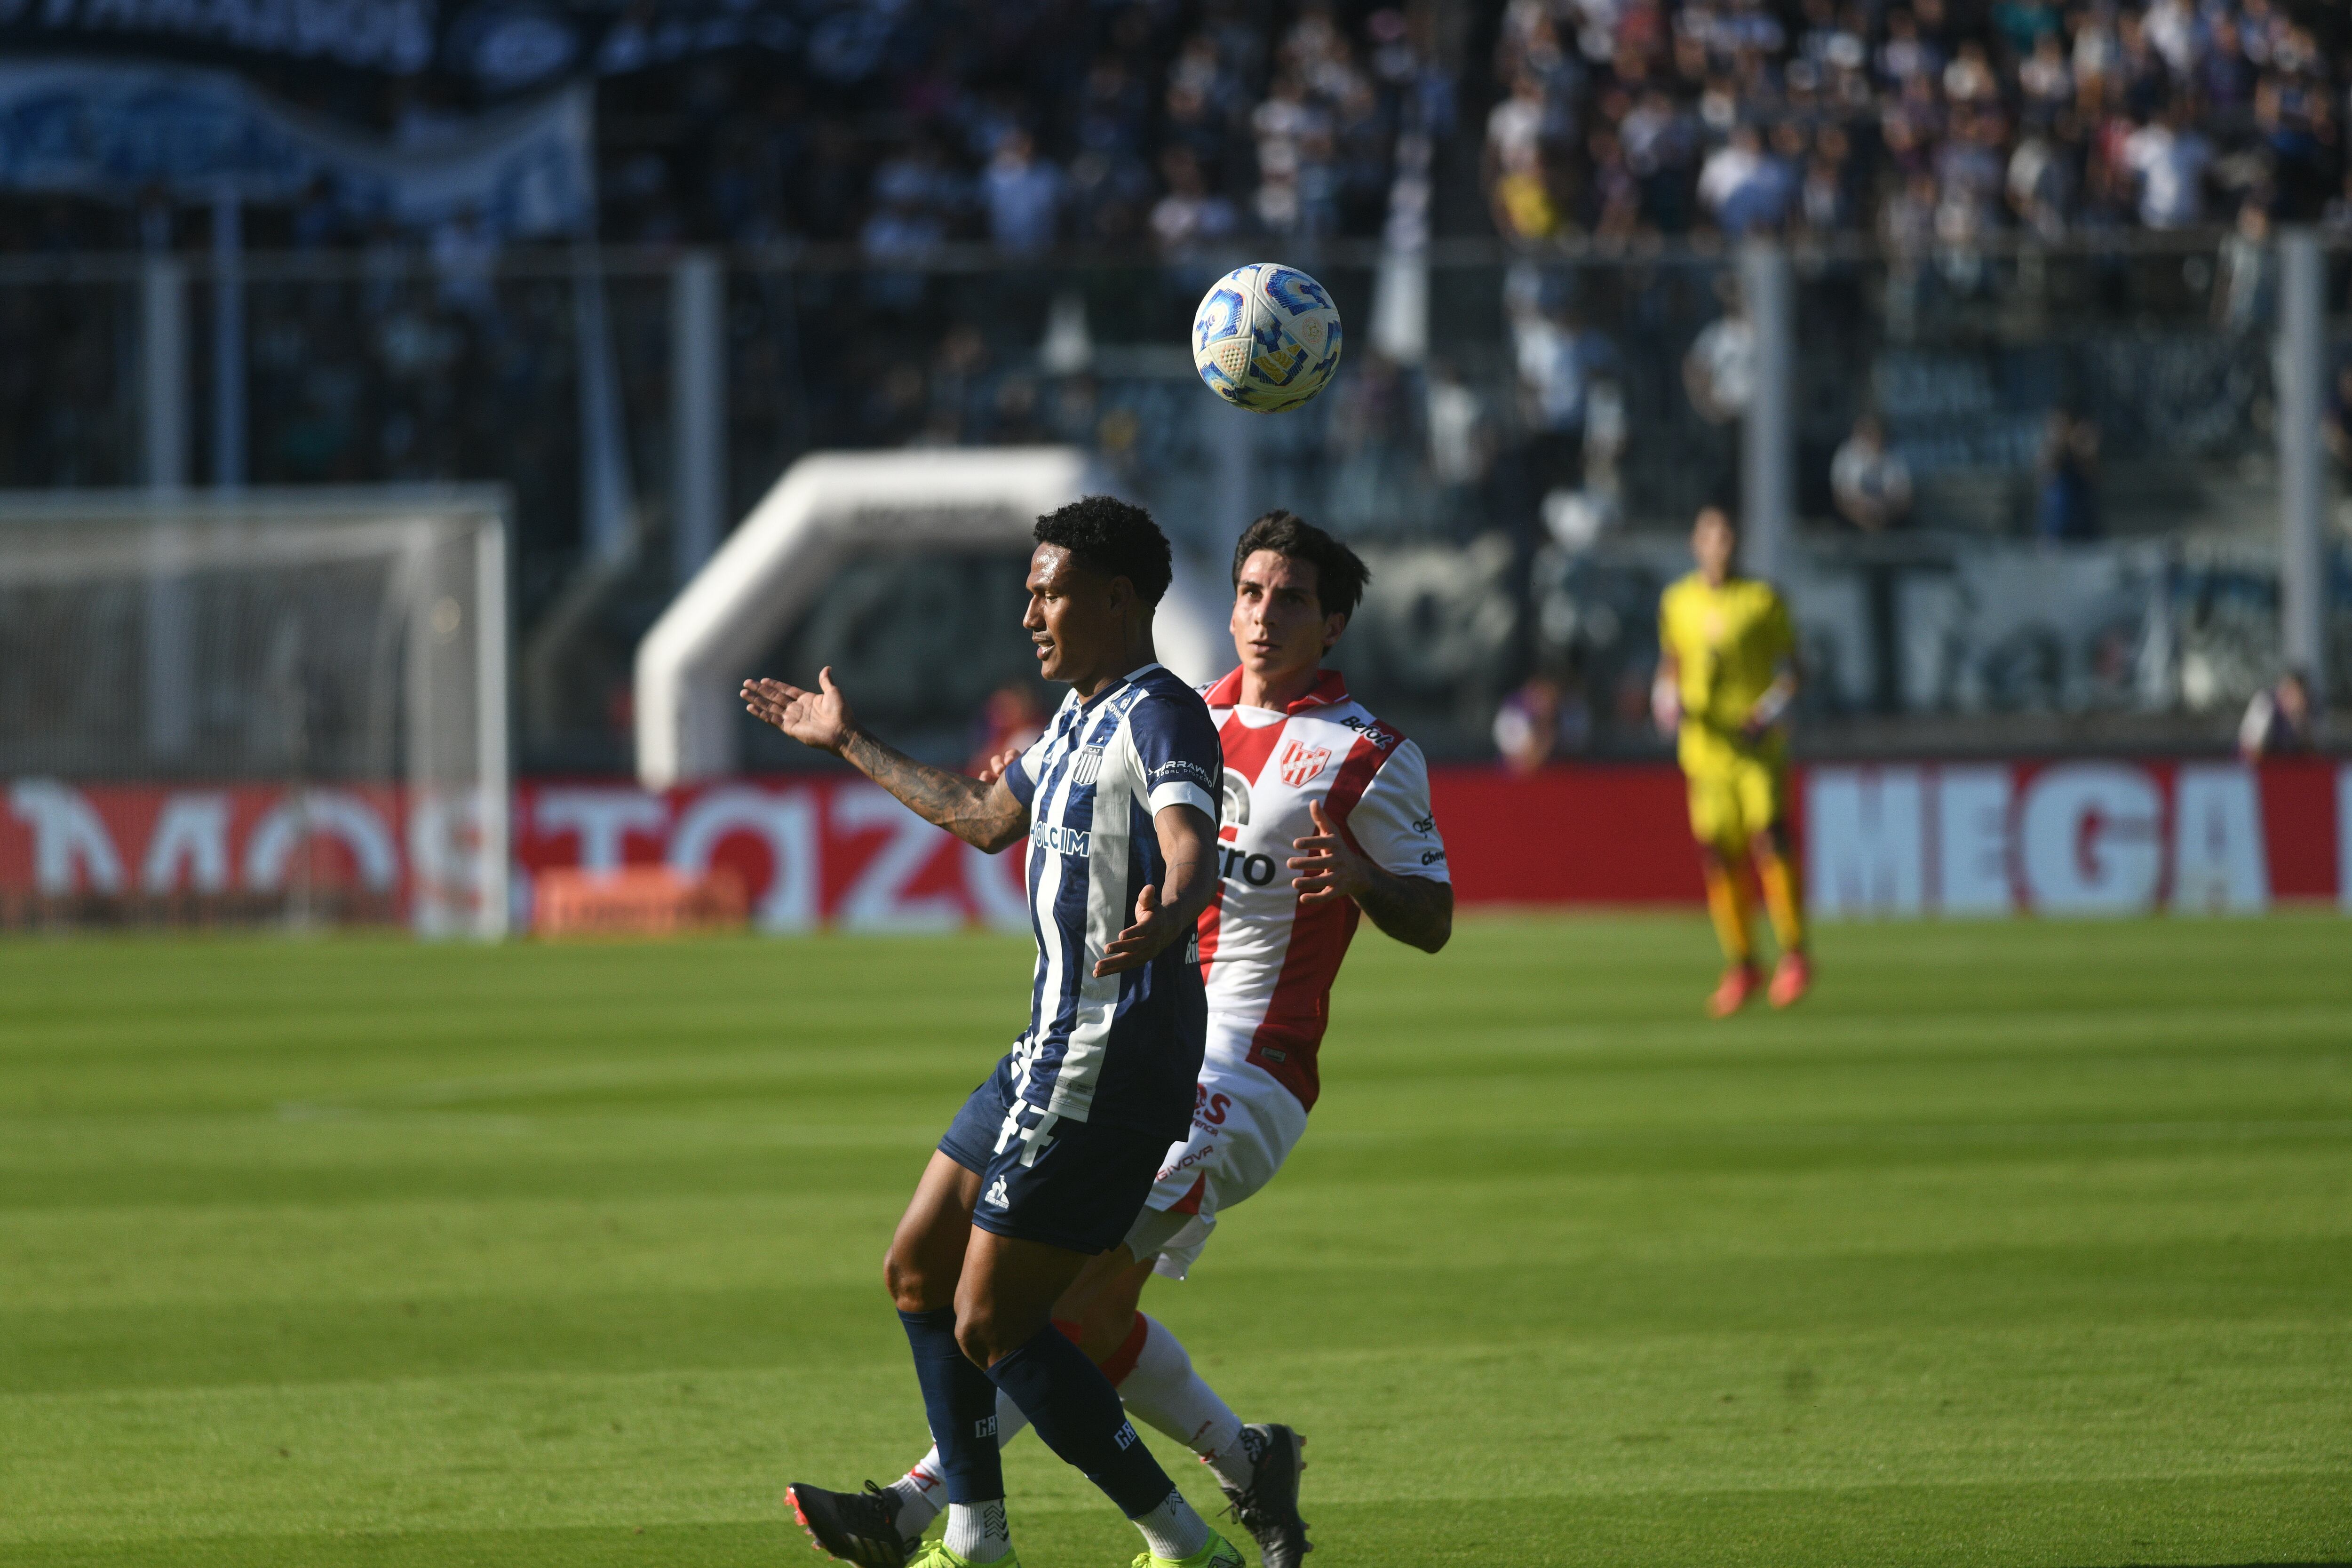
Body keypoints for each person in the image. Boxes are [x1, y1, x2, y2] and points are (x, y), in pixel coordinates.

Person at [788, 511, 1453, 1568]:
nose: (1263, 615)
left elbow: (1433, 917)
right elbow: (991, 814)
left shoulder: (1365, 753)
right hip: (1129, 1038)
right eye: (1250, 592)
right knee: (1079, 1313)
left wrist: (1364, 879)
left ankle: (928, 1511)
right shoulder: (1167, 712)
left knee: (1038, 1304)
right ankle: (1246, 1460)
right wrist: (868, 743)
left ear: (1332, 624)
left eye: (1291, 600)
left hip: (1246, 1069)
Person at [743, 496, 1240, 1568]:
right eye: (1028, 594)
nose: (1029, 616)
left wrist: (1170, 911)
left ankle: (1186, 1545)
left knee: (993, 1323)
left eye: (1048, 593)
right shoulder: (1074, 719)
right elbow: (980, 818)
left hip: (1109, 1059)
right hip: (1049, 1046)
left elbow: (1189, 846)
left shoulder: (1162, 714)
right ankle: (975, 1536)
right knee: (917, 1268)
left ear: (1117, 599)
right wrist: (846, 740)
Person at [1653, 506, 1810, 1017]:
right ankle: (1742, 962)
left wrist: (1766, 713)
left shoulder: (1761, 600)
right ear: (1695, 544)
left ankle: (1794, 953)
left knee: (1771, 839)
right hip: (1705, 750)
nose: (1719, 544)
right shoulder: (1677, 602)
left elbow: (1793, 672)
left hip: (1754, 750)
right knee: (1719, 856)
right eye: (1710, 536)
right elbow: (1671, 665)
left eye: (1726, 535)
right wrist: (1665, 701)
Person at [1829, 413, 1914, 532]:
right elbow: (1840, 495)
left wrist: (1883, 509)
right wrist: (1862, 512)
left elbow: (1905, 497)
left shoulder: (1893, 456)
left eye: (1876, 432)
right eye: (1868, 432)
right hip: (1851, 522)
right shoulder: (1847, 454)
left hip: (1888, 520)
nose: (1872, 437)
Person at [2238, 669, 2313, 760]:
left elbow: (2309, 751)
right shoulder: (2266, 702)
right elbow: (2250, 749)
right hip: (2244, 766)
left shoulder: (2302, 714)